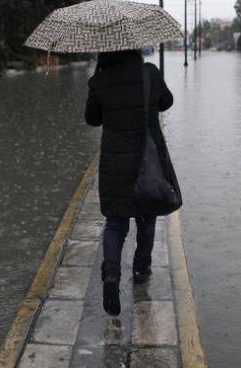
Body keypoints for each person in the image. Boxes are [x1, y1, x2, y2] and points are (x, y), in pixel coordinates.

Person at [84, 49, 174, 316]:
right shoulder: (150, 74)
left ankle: (111, 273)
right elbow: (166, 102)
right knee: (147, 217)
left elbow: (92, 119)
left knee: (115, 222)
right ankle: (141, 269)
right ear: (133, 47)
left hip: (114, 165)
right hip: (148, 163)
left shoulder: (99, 80)